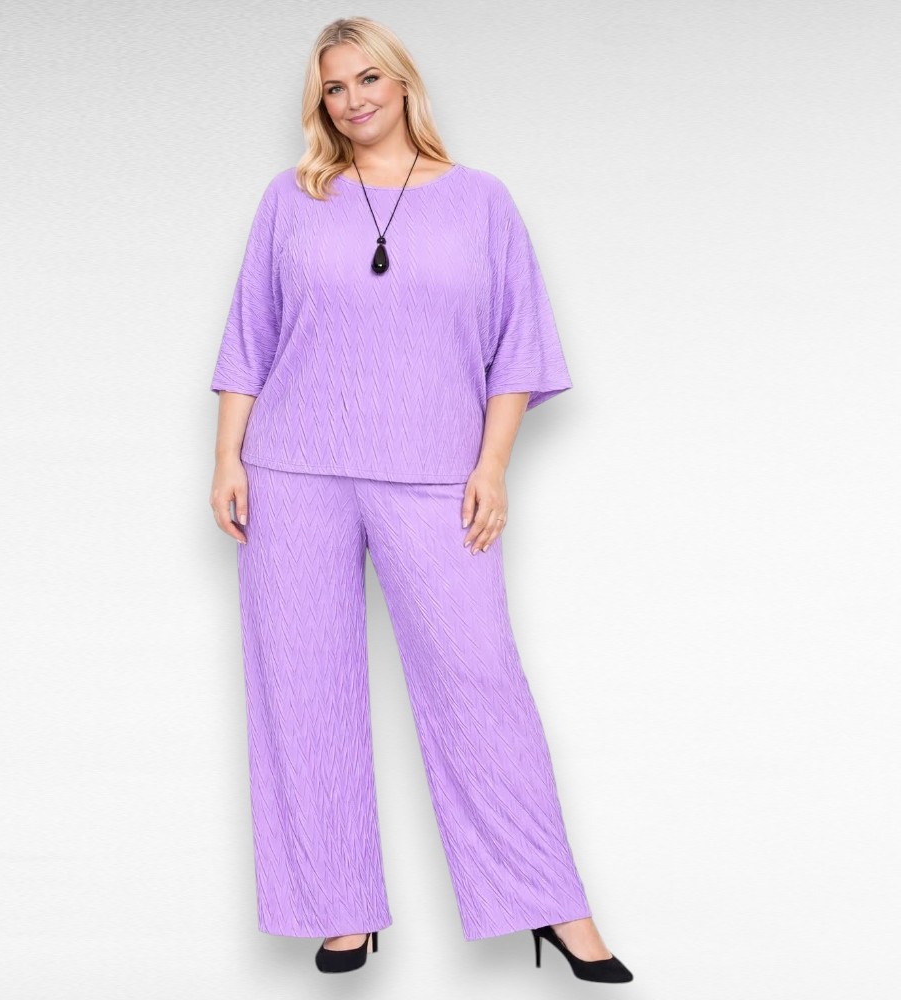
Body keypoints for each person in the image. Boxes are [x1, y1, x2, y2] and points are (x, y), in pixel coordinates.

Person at [208, 17, 634, 982]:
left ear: (403, 83)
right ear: (320, 103)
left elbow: (517, 345)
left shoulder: (481, 201)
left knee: (479, 683)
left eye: (368, 79)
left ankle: (552, 904)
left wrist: (492, 466)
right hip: (293, 471)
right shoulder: (291, 199)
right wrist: (228, 457)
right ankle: (338, 909)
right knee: (301, 694)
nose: (352, 100)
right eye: (334, 88)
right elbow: (250, 338)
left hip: (437, 471)